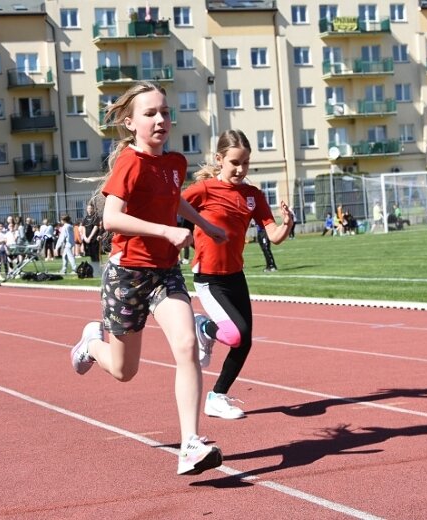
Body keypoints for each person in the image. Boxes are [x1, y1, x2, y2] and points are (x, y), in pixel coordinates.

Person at [69, 81, 227, 476]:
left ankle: (190, 444)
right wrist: (166, 232)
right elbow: (111, 217)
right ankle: (92, 344)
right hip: (127, 275)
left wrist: (206, 224)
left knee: (188, 345)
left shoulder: (174, 163)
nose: (161, 119)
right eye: (150, 113)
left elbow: (173, 201)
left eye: (165, 112)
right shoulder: (130, 163)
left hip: (165, 272)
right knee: (125, 371)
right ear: (130, 122)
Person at [183, 129, 293, 420]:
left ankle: (216, 397)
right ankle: (204, 328)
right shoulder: (204, 190)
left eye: (246, 163)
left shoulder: (253, 195)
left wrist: (287, 223)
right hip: (209, 277)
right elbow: (173, 204)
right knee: (236, 334)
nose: (241, 169)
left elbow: (274, 234)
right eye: (234, 162)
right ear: (220, 159)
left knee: (245, 340)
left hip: (235, 275)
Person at [80, 203, 101, 275]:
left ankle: (97, 270)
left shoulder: (95, 217)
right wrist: (85, 237)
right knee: (91, 255)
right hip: (87, 240)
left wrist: (89, 237)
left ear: (93, 209)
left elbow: (95, 228)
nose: (89, 210)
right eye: (88, 208)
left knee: (95, 255)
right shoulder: (85, 218)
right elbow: (83, 227)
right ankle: (93, 270)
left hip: (94, 239)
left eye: (91, 208)